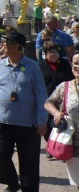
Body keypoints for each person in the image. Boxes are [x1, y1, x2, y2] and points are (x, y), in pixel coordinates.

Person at [0, 30, 48, 192]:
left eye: (8, 43)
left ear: (18, 47)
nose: (4, 45)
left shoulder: (32, 67)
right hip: (3, 121)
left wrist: (42, 120)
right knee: (0, 154)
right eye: (4, 42)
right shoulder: (0, 65)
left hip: (27, 124)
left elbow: (41, 94)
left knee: (28, 162)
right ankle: (13, 184)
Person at [44, 52, 79, 189]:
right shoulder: (64, 87)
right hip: (73, 144)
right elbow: (48, 102)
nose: (78, 66)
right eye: (75, 63)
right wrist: (56, 112)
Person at [39, 41, 73, 151]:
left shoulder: (64, 64)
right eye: (49, 52)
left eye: (54, 51)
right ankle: (50, 144)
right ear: (45, 54)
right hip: (47, 99)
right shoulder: (41, 66)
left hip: (63, 99)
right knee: (49, 124)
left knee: (64, 122)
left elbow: (71, 79)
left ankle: (62, 145)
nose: (52, 54)